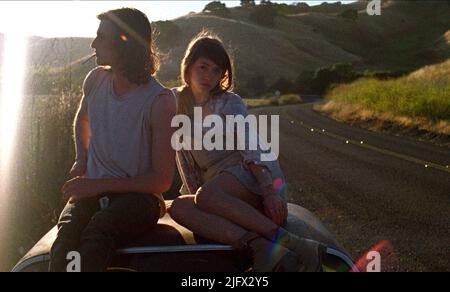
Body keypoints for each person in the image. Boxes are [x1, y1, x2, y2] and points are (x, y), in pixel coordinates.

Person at [168, 31, 324, 272]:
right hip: (215, 188)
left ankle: (298, 245)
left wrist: (269, 191)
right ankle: (259, 246)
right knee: (178, 206)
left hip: (250, 174)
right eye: (203, 67)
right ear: (188, 66)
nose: (209, 76)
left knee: (206, 196)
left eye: (216, 70)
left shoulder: (229, 102)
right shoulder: (175, 101)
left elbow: (250, 147)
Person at [49, 8, 176, 272]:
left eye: (100, 37)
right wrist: (81, 159)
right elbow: (82, 119)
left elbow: (162, 180)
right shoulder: (95, 80)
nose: (93, 44)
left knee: (98, 232)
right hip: (94, 189)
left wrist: (96, 185)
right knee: (64, 241)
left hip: (141, 199)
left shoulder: (159, 101)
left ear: (123, 43)